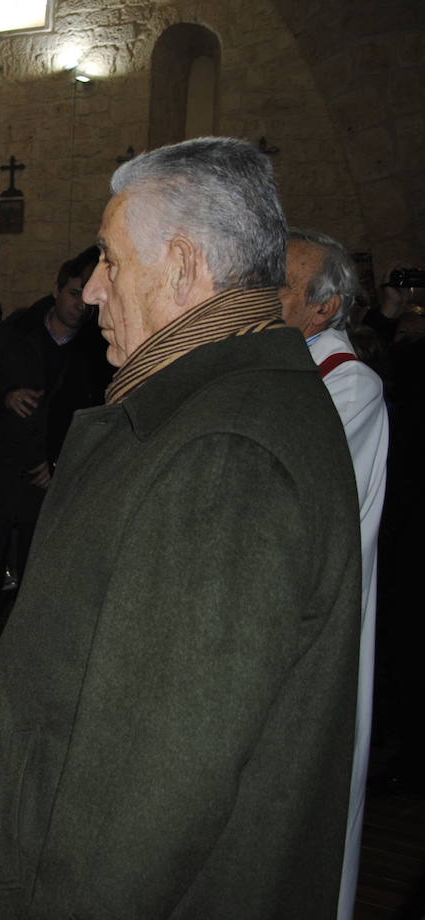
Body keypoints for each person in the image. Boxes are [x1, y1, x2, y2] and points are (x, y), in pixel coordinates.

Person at [0, 137, 363, 918]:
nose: (93, 288)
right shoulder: (211, 408)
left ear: (183, 265)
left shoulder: (224, 456)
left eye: (109, 259)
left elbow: (144, 799)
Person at [279, 227, 389, 919]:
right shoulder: (278, 365)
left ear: (327, 308)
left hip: (315, 613)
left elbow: (298, 499)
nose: (265, 294)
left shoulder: (349, 385)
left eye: (283, 285)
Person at [0, 248, 111, 687]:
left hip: (51, 484)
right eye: (74, 292)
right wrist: (5, 396)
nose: (81, 303)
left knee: (37, 585)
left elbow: (98, 413)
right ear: (57, 291)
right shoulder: (13, 332)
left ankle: (19, 673)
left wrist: (60, 463)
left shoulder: (99, 346)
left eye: (87, 295)